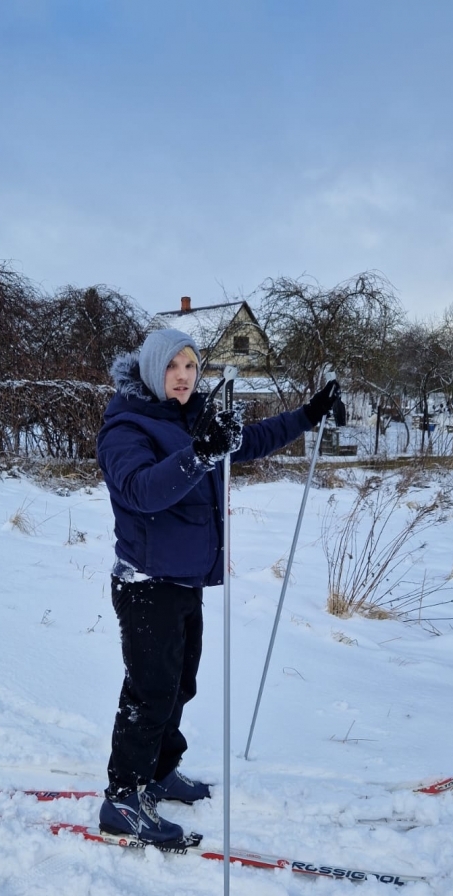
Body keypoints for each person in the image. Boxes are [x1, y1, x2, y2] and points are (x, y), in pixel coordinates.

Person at [96, 327, 340, 845]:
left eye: (190, 366)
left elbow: (247, 442)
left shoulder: (194, 418)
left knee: (180, 685)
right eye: (172, 368)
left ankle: (159, 772)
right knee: (150, 692)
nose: (183, 377)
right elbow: (141, 490)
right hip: (147, 582)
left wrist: (306, 415)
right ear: (150, 371)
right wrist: (199, 455)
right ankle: (123, 796)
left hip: (184, 581)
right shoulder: (125, 426)